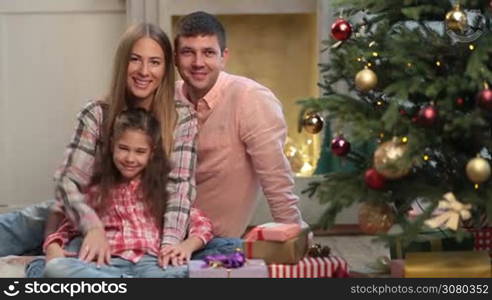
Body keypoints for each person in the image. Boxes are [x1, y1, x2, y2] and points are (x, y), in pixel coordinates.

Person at [173, 11, 304, 238]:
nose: (198, 63)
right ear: (175, 58)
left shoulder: (250, 99)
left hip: (214, 245)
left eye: (208, 53)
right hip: (157, 236)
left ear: (224, 57)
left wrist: (297, 243)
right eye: (188, 53)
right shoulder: (167, 97)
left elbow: (277, 184)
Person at [43, 109, 212, 277]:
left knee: (202, 272)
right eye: (123, 148)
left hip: (153, 264)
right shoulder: (96, 191)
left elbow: (201, 224)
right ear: (111, 146)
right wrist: (53, 246)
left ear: (151, 153)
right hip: (108, 263)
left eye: (140, 152)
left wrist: (186, 246)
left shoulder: (161, 191)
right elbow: (68, 225)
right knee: (55, 268)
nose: (130, 159)